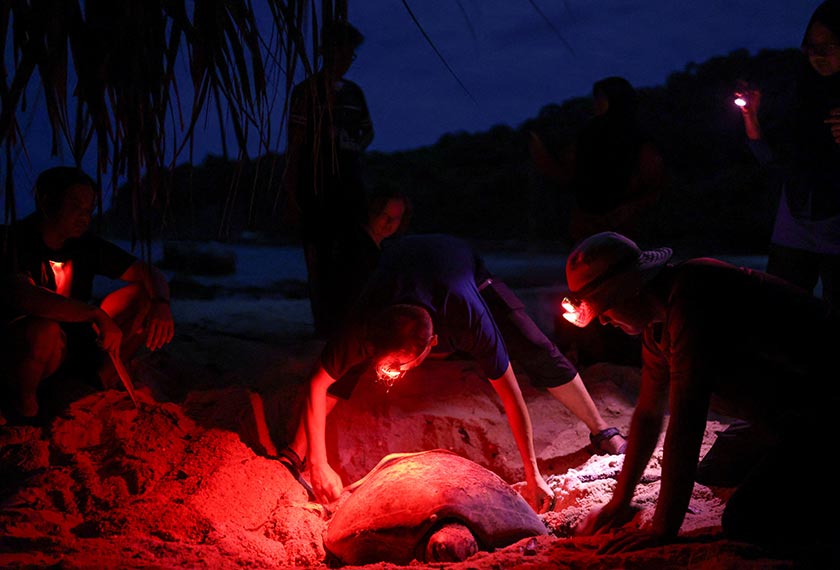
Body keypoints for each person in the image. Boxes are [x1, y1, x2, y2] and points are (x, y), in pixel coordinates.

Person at [278, 234, 627, 513]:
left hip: (459, 262)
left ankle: (602, 428)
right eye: (389, 365)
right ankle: (295, 455)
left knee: (534, 347)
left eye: (400, 366)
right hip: (397, 266)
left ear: (432, 345)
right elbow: (317, 382)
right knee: (345, 371)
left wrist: (532, 474)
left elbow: (510, 394)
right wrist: (319, 463)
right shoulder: (366, 323)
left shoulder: (468, 316)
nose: (392, 373)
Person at [563, 231, 840, 558]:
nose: (604, 321)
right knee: (714, 470)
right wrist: (618, 502)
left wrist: (663, 528)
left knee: (747, 520)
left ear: (630, 288)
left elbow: (687, 421)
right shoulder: (658, 323)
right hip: (780, 412)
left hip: (822, 406)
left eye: (605, 308)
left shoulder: (693, 294)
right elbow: (649, 414)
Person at [0, 167, 175, 423]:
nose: (83, 217)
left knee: (144, 297)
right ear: (47, 201)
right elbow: (26, 296)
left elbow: (148, 272)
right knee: (43, 330)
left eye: (88, 210)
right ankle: (25, 408)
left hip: (73, 347)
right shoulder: (12, 240)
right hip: (19, 350)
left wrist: (161, 303)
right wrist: (94, 313)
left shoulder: (86, 245)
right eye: (75, 207)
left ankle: (99, 380)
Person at [736, 0, 840, 308]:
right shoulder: (801, 98)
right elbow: (774, 163)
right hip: (794, 224)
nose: (818, 55)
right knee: (781, 314)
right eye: (811, 47)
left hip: (836, 225)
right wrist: (751, 118)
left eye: (829, 45)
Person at [282, 20, 374, 337]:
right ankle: (325, 326)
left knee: (352, 252)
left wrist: (350, 146)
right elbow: (294, 142)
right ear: (328, 52)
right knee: (319, 254)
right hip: (317, 182)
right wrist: (291, 191)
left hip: (350, 182)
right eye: (344, 51)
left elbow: (368, 131)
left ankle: (350, 321)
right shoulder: (308, 91)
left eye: (352, 53)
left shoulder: (353, 93)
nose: (348, 58)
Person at [530, 76, 666, 244]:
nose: (596, 104)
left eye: (601, 99)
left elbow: (655, 187)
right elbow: (569, 175)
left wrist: (630, 209)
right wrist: (540, 153)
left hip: (625, 233)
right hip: (586, 230)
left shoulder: (639, 143)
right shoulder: (588, 137)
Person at [322, 185, 411, 336]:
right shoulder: (358, 249)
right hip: (352, 328)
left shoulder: (377, 248)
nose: (390, 223)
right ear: (370, 212)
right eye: (385, 215)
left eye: (396, 218)